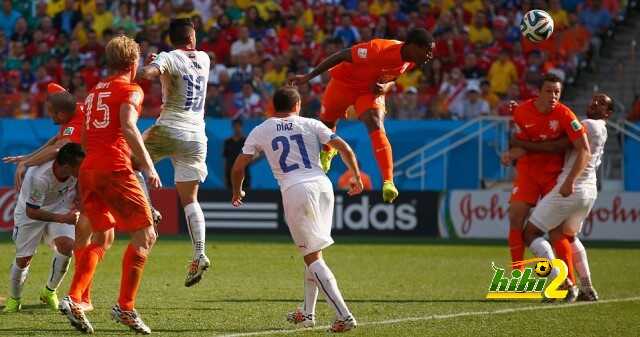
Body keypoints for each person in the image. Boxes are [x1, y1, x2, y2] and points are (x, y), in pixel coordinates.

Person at [230, 87, 363, 332]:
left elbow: (238, 167)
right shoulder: (311, 124)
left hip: (296, 190)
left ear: (273, 106)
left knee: (311, 256)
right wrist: (355, 175)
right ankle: (309, 314)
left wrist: (237, 191)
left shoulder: (262, 129)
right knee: (314, 253)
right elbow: (344, 147)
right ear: (298, 105)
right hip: (323, 186)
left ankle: (343, 315)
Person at [59, 35, 160, 335]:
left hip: (89, 168)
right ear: (133, 62)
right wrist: (149, 164)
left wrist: (87, 171)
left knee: (103, 236)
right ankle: (125, 308)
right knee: (146, 235)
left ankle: (74, 298)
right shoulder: (131, 89)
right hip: (114, 168)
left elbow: (87, 137)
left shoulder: (93, 93)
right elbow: (128, 125)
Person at [291, 28, 435, 203]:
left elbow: (393, 78)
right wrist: (309, 76)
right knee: (327, 122)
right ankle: (329, 150)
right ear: (413, 46)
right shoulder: (378, 50)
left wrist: (386, 87)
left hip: (368, 92)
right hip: (343, 84)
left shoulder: (410, 60)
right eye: (427, 50)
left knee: (375, 123)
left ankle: (388, 181)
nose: (429, 56)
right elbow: (342, 55)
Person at [514, 93, 612, 302]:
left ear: (608, 113)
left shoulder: (588, 124)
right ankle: (587, 287)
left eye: (601, 103)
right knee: (568, 237)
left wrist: (525, 138)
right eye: (593, 99)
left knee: (529, 234)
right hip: (589, 191)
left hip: (570, 188)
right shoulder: (602, 130)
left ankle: (559, 281)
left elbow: (555, 145)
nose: (594, 103)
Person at [137, 18, 212, 287]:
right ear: (192, 38)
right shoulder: (205, 58)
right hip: (196, 136)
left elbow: (148, 75)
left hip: (170, 128)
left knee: (130, 160)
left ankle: (148, 209)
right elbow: (179, 67)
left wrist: (146, 63)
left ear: (172, 40)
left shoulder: (169, 57)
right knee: (190, 199)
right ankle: (199, 252)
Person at [501, 74, 587, 288]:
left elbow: (583, 148)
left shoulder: (565, 115)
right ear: (538, 92)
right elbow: (520, 143)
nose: (553, 96)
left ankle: (570, 283)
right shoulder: (521, 112)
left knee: (557, 230)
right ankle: (518, 275)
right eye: (548, 91)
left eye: (557, 92)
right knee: (515, 216)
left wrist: (570, 180)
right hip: (528, 171)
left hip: (553, 175)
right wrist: (511, 154)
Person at [2, 143, 84, 313]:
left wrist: (78, 200)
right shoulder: (40, 178)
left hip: (58, 206)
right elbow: (32, 212)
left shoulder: (72, 167)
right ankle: (14, 299)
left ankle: (49, 291)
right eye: (80, 166)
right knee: (24, 259)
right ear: (67, 167)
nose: (83, 168)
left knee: (67, 246)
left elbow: (56, 148)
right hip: (28, 214)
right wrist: (63, 218)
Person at [223, 119, 249, 189]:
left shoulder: (246, 141)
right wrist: (225, 175)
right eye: (235, 126)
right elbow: (225, 159)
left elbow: (251, 156)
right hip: (230, 173)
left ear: (241, 127)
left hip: (243, 173)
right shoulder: (228, 142)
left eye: (238, 126)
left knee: (244, 194)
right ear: (233, 127)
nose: (237, 128)